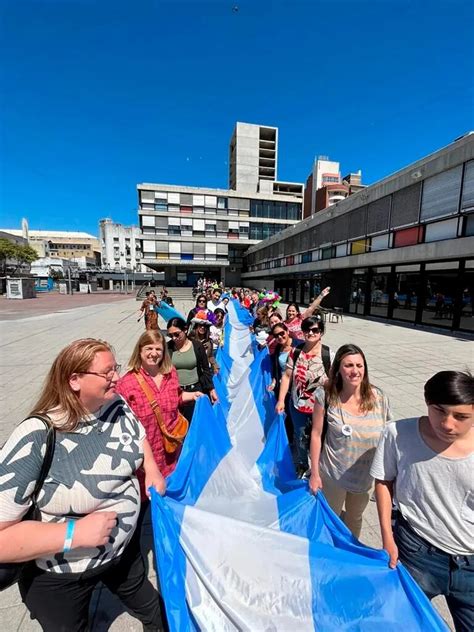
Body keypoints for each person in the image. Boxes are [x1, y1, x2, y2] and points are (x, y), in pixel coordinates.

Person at [0, 338, 166, 631]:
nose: (116, 377)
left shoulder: (115, 401)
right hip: (62, 578)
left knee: (155, 613)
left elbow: (137, 433)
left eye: (115, 369)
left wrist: (151, 468)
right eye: (107, 373)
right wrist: (74, 533)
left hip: (122, 556)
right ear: (74, 380)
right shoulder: (38, 435)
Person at [370, 371, 473, 632]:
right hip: (417, 553)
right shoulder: (398, 434)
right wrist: (387, 539)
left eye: (461, 417)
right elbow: (383, 481)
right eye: (439, 411)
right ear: (427, 403)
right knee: (401, 623)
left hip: (470, 564)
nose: (448, 424)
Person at [308, 344, 392, 538]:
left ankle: (351, 553)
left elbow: (389, 436)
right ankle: (329, 551)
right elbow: (316, 434)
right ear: (338, 368)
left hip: (365, 477)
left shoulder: (379, 397)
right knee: (331, 518)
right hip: (333, 474)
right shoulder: (326, 396)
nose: (355, 371)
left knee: (355, 518)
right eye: (348, 365)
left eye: (359, 365)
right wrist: (314, 473)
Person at [117, 330, 200, 497]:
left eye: (158, 349)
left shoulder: (171, 374)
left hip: (171, 454)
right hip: (145, 464)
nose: (154, 354)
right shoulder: (126, 383)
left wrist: (193, 396)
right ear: (139, 351)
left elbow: (175, 398)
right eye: (149, 348)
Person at [276, 315, 333, 477]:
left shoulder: (329, 355)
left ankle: (318, 467)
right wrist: (281, 400)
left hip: (320, 409)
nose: (311, 333)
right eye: (307, 329)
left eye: (315, 330)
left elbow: (336, 382)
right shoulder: (296, 352)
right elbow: (286, 376)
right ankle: (302, 464)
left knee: (320, 438)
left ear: (321, 332)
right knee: (300, 437)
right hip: (298, 405)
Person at [167, 318, 217, 421]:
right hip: (175, 393)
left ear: (185, 330)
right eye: (170, 335)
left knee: (195, 423)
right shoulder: (168, 348)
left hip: (195, 390)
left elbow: (205, 370)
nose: (174, 338)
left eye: (177, 334)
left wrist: (211, 389)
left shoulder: (197, 346)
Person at [268, 323, 303, 445]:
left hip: (297, 388)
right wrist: (274, 381)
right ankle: (288, 442)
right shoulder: (278, 348)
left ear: (287, 331)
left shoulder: (299, 345)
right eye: (276, 335)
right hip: (283, 388)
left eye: (282, 333)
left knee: (297, 418)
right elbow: (277, 368)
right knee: (286, 415)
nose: (280, 337)